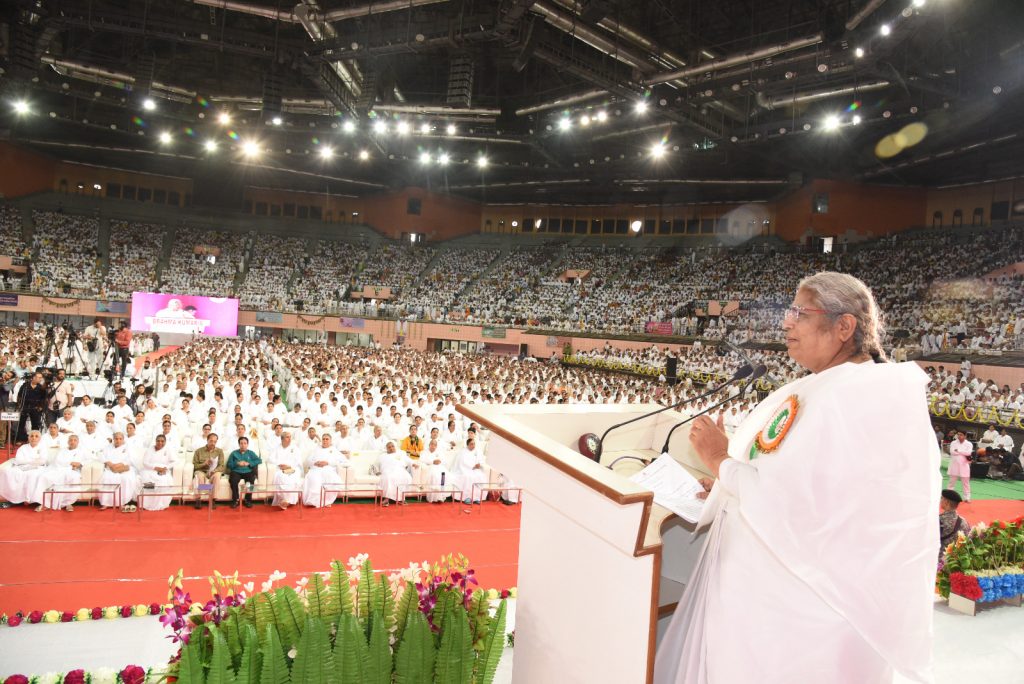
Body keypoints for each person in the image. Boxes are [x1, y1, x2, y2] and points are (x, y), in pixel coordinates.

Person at [656, 272, 939, 684]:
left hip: (807, 609)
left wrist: (720, 460)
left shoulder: (865, 395)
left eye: (800, 313)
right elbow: (783, 474)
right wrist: (724, 484)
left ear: (844, 326)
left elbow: (803, 504)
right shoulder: (823, 387)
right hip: (764, 597)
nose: (786, 323)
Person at [32, 433, 87, 512]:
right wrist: (71, 463)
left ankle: (68, 503)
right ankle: (45, 503)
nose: (72, 442)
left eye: (75, 440)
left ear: (78, 442)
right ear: (68, 442)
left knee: (74, 478)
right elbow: (58, 461)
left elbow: (88, 460)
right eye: (71, 440)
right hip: (59, 469)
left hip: (73, 471)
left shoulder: (82, 451)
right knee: (45, 477)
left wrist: (80, 464)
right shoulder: (63, 450)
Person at [0, 430, 48, 508]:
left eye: (36, 436)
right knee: (11, 473)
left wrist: (28, 462)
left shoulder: (43, 448)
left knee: (33, 475)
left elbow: (42, 461)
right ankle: (14, 499)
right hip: (22, 467)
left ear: (40, 438)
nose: (33, 438)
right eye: (31, 436)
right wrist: (33, 461)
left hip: (38, 468)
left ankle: (33, 500)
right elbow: (18, 460)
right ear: (28, 438)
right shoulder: (23, 447)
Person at [301, 433, 347, 507]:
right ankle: (314, 501)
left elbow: (343, 461)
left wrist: (327, 463)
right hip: (316, 468)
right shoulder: (316, 449)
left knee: (331, 478)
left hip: (328, 468)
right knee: (313, 478)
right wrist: (315, 463)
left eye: (327, 439)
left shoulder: (334, 450)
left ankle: (327, 501)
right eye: (323, 439)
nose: (325, 441)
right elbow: (308, 461)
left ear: (330, 441)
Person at [99, 432, 139, 512]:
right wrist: (110, 464)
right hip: (110, 468)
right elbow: (102, 457)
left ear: (123, 439)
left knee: (126, 478)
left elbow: (129, 459)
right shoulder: (108, 447)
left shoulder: (127, 447)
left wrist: (118, 465)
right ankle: (106, 502)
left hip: (123, 467)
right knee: (107, 478)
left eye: (120, 439)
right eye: (116, 439)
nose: (118, 440)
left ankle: (122, 502)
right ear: (113, 439)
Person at [140, 434, 175, 511]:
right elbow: (145, 463)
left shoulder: (168, 450)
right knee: (147, 481)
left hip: (163, 470)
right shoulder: (150, 449)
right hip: (149, 469)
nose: (160, 443)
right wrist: (155, 468)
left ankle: (160, 504)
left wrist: (165, 468)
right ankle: (147, 504)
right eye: (158, 441)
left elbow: (173, 462)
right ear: (155, 441)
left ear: (165, 442)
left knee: (163, 481)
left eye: (162, 441)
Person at [270, 431, 304, 509]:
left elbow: (298, 460)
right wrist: (280, 464)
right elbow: (271, 458)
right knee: (281, 478)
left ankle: (288, 500)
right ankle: (284, 499)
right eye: (287, 437)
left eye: (290, 437)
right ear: (282, 439)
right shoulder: (276, 448)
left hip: (293, 468)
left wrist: (289, 466)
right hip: (280, 469)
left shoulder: (295, 448)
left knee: (292, 479)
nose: (289, 439)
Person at [449, 436, 487, 504]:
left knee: (480, 476)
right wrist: (472, 467)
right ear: (467, 445)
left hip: (475, 470)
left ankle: (477, 498)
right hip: (464, 470)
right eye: (471, 444)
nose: (473, 445)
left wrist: (479, 465)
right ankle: (467, 497)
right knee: (468, 477)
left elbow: (481, 460)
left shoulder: (477, 451)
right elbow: (461, 463)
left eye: (474, 444)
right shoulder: (463, 452)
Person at [192, 432, 225, 509]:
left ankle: (213, 500)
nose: (213, 443)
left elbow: (222, 465)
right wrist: (204, 464)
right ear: (207, 440)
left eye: (214, 441)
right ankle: (199, 499)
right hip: (202, 471)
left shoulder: (219, 451)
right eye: (211, 441)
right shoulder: (198, 451)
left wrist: (215, 470)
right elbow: (195, 466)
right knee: (199, 476)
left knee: (217, 476)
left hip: (214, 471)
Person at [226, 436, 261, 508]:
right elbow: (228, 464)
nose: (243, 445)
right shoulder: (234, 453)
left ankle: (248, 500)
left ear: (247, 444)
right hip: (236, 471)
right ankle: (236, 500)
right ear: (239, 444)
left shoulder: (250, 453)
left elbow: (259, 460)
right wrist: (237, 463)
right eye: (241, 443)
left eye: (245, 443)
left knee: (251, 480)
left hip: (248, 471)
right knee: (233, 481)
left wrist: (249, 463)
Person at [938, 489, 971, 563]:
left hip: (940, 562)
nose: (940, 500)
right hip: (957, 561)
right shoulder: (964, 521)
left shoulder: (940, 520)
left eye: (942, 498)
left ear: (946, 502)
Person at [16, 372, 47, 442]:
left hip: (35, 408)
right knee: (21, 424)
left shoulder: (41, 387)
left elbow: (44, 398)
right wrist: (19, 405)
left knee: (35, 424)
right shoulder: (25, 386)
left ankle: (34, 440)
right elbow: (19, 396)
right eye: (38, 377)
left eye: (40, 378)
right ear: (33, 377)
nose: (40, 379)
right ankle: (20, 439)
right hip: (25, 406)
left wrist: (41, 407)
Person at [948, 431, 973, 503]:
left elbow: (968, 453)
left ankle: (967, 498)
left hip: (964, 465)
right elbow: (952, 452)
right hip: (954, 464)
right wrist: (962, 452)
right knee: (951, 482)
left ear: (965, 436)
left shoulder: (969, 444)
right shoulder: (953, 443)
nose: (959, 436)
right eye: (958, 434)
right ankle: (949, 496)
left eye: (961, 435)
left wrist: (958, 451)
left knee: (966, 482)